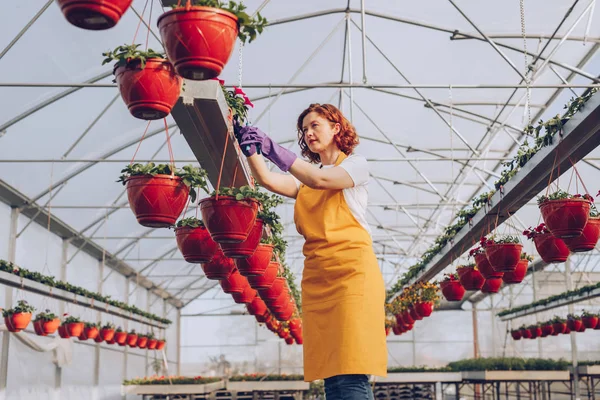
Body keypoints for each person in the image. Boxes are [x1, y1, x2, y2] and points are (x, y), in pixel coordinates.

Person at [235, 103, 387, 400]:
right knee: (331, 372)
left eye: (315, 125)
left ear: (336, 128)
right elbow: (269, 180)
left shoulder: (355, 165)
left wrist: (272, 148)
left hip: (352, 276)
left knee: (351, 369)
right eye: (304, 129)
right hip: (318, 277)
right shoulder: (304, 177)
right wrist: (251, 149)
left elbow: (322, 180)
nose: (308, 133)